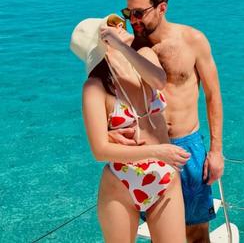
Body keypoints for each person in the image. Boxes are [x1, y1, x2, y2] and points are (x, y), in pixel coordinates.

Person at [108, 0, 224, 243]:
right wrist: (112, 133)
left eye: (139, 13)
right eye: (129, 13)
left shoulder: (192, 40)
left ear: (162, 8)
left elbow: (213, 95)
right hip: (146, 150)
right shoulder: (128, 47)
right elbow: (111, 98)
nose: (133, 20)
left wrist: (216, 151)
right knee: (160, 233)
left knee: (196, 232)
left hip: (186, 149)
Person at [71, 13, 190, 243]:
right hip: (122, 182)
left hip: (163, 176)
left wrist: (122, 48)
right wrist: (156, 151)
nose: (121, 25)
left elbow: (158, 81)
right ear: (101, 42)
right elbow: (100, 151)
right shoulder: (94, 88)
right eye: (111, 26)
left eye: (118, 22)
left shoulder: (144, 56)